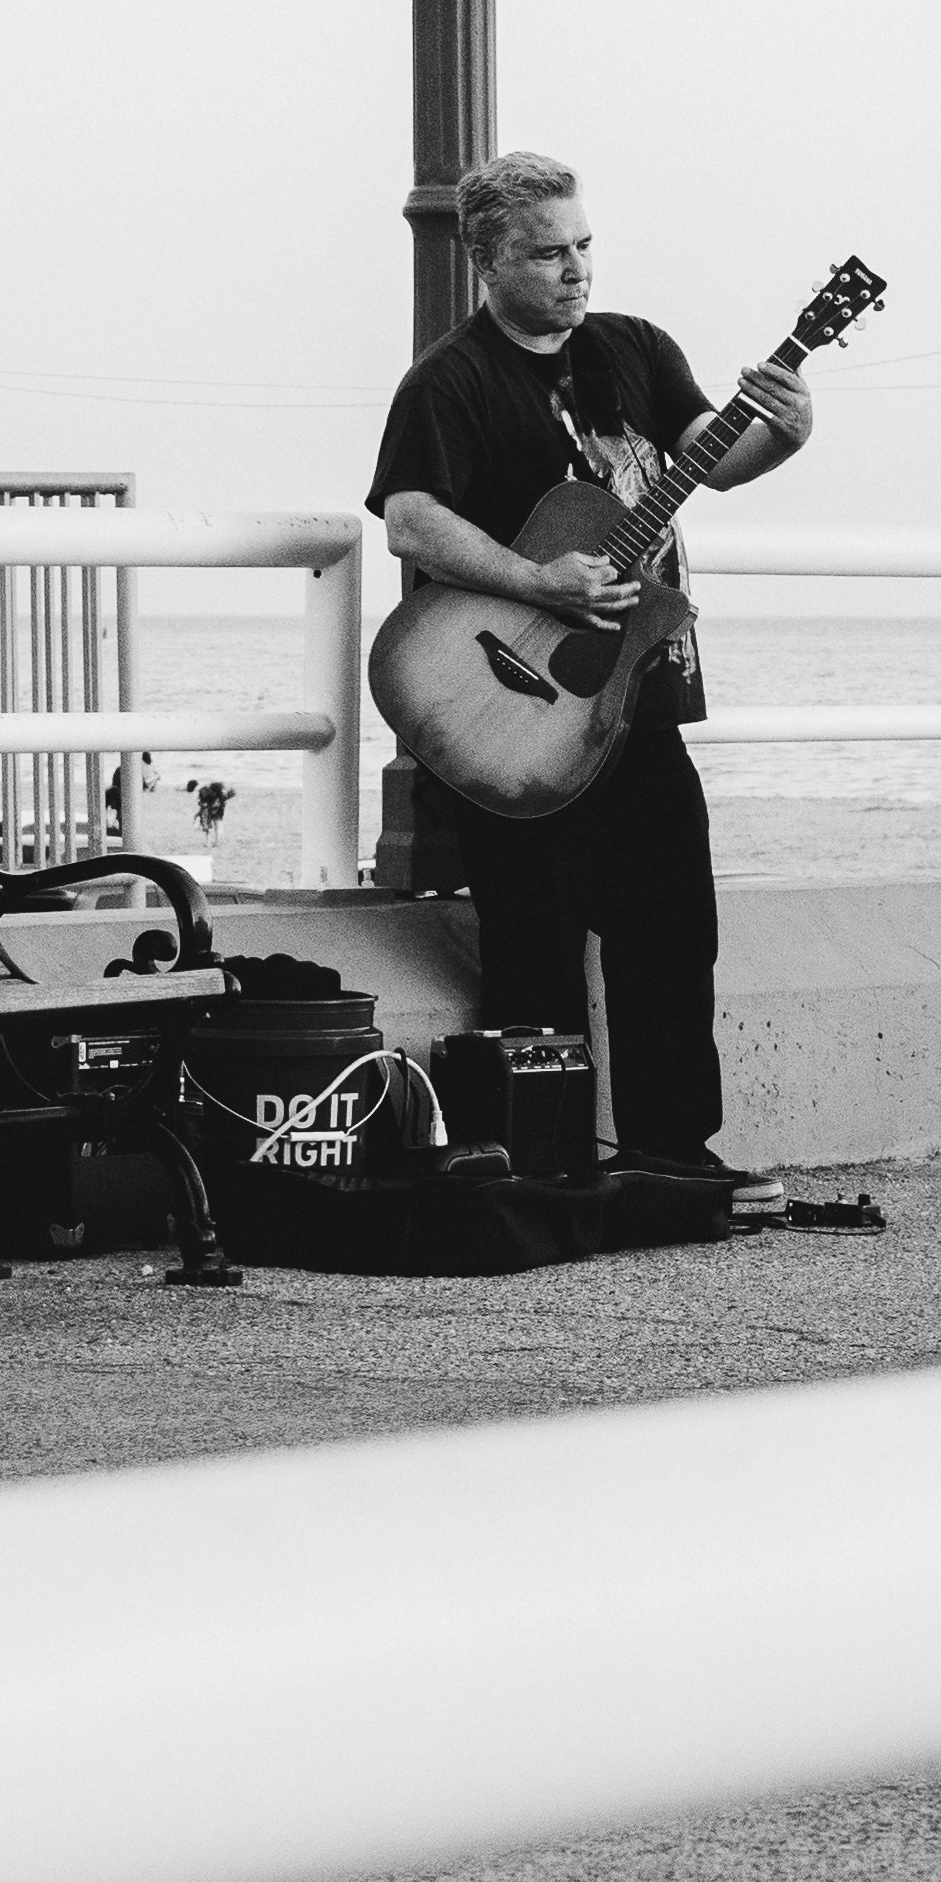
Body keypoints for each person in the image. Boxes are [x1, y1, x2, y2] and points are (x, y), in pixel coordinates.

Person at [366, 150, 811, 1213]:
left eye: (583, 245)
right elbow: (411, 516)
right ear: (487, 259)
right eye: (547, 251)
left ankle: (671, 1153)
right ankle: (546, 1164)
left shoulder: (635, 349)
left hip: (636, 702)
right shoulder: (452, 377)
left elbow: (708, 451)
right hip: (516, 715)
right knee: (536, 944)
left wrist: (786, 431)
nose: (575, 269)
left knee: (673, 930)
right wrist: (535, 577)